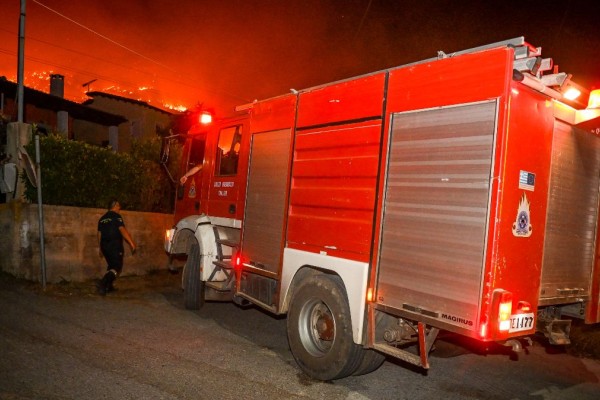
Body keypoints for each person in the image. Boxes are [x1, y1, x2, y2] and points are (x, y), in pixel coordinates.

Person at [97, 199, 136, 295]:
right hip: (114, 245)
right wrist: (131, 243)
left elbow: (98, 234)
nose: (119, 208)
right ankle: (103, 282)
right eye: (118, 205)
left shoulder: (102, 219)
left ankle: (109, 286)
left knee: (111, 265)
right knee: (117, 267)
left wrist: (100, 248)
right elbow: (122, 229)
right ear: (114, 205)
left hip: (104, 245)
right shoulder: (117, 216)